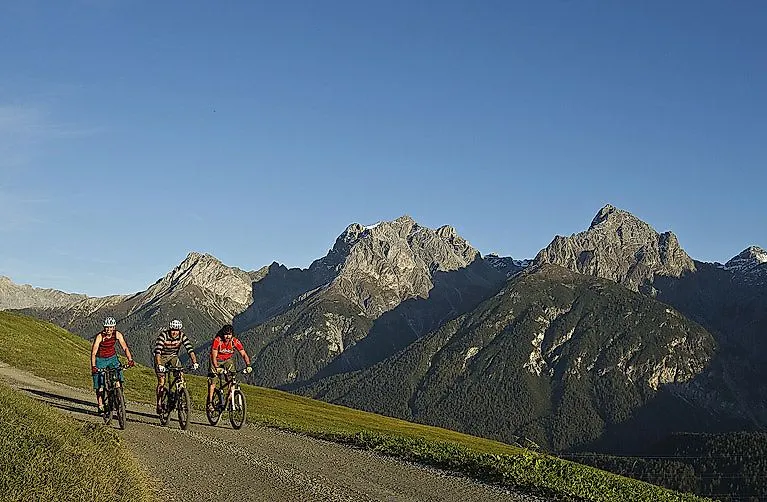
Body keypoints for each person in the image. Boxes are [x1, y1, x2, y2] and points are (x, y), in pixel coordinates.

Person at [153, 319, 199, 414]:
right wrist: (159, 365)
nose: (174, 332)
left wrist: (195, 362)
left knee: (180, 374)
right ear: (170, 329)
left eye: (176, 330)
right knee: (162, 381)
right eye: (173, 330)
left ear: (179, 330)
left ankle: (181, 393)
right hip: (161, 356)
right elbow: (157, 352)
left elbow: (190, 350)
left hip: (173, 356)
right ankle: (159, 403)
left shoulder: (182, 336)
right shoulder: (164, 335)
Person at [91, 316, 135, 414]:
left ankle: (120, 397)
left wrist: (130, 360)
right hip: (100, 359)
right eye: (107, 327)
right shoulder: (100, 336)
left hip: (112, 357)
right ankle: (101, 405)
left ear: (114, 327)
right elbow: (93, 352)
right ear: (104, 327)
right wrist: (94, 366)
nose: (109, 330)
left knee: (118, 375)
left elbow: (125, 348)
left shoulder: (117, 334)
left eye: (111, 327)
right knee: (100, 385)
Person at [208, 324, 251, 411]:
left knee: (232, 379)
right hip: (216, 360)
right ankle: (210, 402)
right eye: (226, 334)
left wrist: (248, 365)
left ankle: (230, 398)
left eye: (229, 334)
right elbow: (213, 356)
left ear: (232, 334)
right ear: (223, 334)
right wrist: (216, 367)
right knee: (213, 382)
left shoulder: (234, 341)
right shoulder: (218, 340)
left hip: (227, 360)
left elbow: (243, 354)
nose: (227, 336)